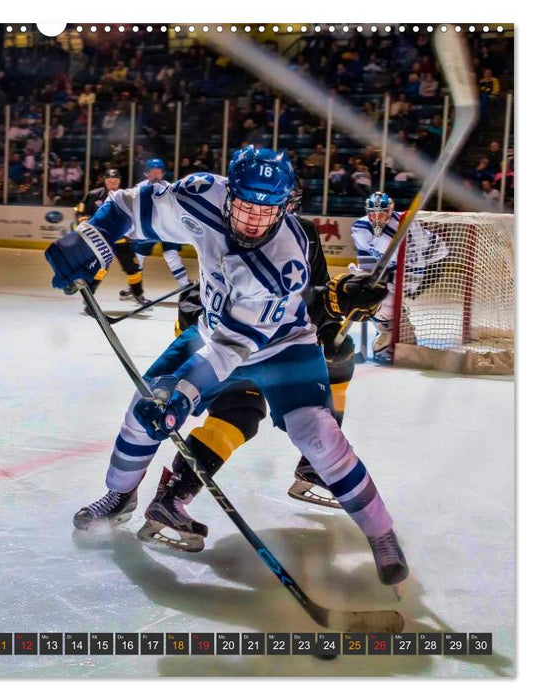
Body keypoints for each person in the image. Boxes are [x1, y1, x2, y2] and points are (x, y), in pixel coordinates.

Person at [45, 146, 408, 588]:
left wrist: (183, 396)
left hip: (280, 346)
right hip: (211, 328)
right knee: (143, 409)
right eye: (245, 206)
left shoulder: (284, 261)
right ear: (228, 193)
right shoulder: (201, 195)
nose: (254, 221)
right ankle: (120, 496)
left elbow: (233, 348)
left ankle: (381, 533)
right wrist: (91, 241)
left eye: (267, 210)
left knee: (317, 433)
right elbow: (130, 205)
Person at [130, 181, 385, 552]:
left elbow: (310, 298)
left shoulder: (304, 236)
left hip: (271, 342)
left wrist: (349, 300)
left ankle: (314, 464)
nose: (264, 217)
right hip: (221, 337)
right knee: (240, 411)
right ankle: (171, 497)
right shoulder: (231, 231)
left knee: (339, 355)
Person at [351, 192, 449, 363]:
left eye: (381, 213)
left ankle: (389, 330)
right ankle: (395, 330)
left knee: (385, 299)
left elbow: (415, 266)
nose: (377, 218)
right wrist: (365, 277)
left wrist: (396, 290)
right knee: (372, 293)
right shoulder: (360, 227)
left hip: (432, 262)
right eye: (372, 213)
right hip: (395, 265)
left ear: (389, 211)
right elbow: (367, 258)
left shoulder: (405, 227)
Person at [74, 168, 150, 306]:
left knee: (133, 268)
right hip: (101, 242)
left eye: (115, 181)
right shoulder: (93, 195)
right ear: (105, 181)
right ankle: (88, 300)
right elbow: (81, 214)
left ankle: (139, 296)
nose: (113, 184)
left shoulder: (127, 196)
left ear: (120, 181)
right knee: (99, 270)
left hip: (122, 240)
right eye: (110, 181)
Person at [132, 158, 191, 290]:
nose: (156, 174)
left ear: (162, 173)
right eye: (153, 171)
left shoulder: (170, 187)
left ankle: (185, 286)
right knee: (138, 256)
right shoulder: (139, 188)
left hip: (167, 227)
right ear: (147, 173)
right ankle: (134, 287)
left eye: (158, 171)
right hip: (147, 226)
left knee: (171, 255)